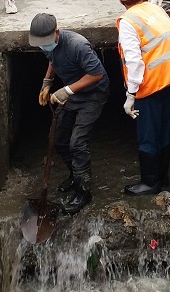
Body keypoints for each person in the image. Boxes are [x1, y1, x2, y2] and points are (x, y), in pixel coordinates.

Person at [116, 0, 170, 194]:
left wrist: (131, 95)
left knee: (148, 132)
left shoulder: (127, 21)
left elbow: (133, 60)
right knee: (164, 127)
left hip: (152, 82)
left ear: (122, 2)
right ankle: (163, 178)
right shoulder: (155, 9)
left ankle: (150, 183)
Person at [30, 13, 109, 214]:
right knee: (59, 139)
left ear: (57, 32)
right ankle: (75, 175)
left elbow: (96, 73)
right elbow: (52, 59)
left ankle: (84, 190)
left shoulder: (78, 45)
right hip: (73, 92)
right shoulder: (47, 44)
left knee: (77, 143)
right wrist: (46, 83)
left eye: (46, 42)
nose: (44, 46)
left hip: (93, 94)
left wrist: (67, 90)